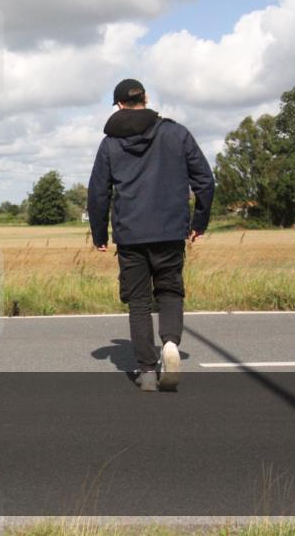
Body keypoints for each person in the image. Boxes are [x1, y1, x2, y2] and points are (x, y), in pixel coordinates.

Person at [87, 79, 214, 392]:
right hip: (171, 231)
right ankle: (170, 344)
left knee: (139, 303)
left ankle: (146, 371)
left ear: (118, 105)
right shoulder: (177, 133)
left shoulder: (109, 144)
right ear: (145, 98)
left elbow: (98, 193)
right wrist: (199, 222)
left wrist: (100, 234)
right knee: (170, 291)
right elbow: (205, 182)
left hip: (131, 235)